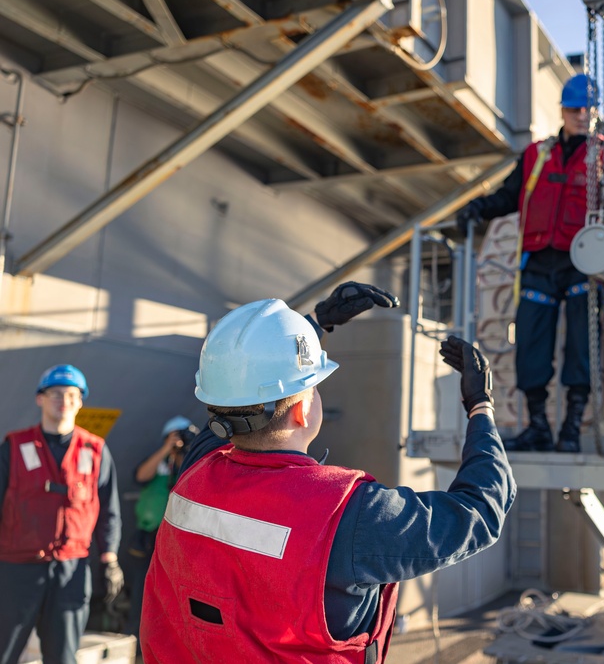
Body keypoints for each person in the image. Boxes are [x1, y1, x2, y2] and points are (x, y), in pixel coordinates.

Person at [140, 282, 515, 663]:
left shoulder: (196, 471)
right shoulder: (349, 515)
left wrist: (315, 324)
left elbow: (237, 395)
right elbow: (480, 511)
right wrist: (480, 406)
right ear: (303, 411)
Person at [457, 73, 604, 453]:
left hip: (584, 266)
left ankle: (570, 428)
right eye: (574, 109)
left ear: (596, 111)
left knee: (582, 346)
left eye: (588, 109)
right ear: (563, 110)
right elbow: (508, 196)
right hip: (538, 263)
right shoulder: (536, 155)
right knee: (530, 343)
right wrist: (476, 208)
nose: (581, 115)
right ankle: (538, 425)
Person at [0, 364, 123, 664]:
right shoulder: (14, 446)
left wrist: (109, 559)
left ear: (80, 401)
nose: (63, 400)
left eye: (71, 394)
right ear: (39, 399)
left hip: (72, 571)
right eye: (55, 393)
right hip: (18, 570)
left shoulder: (95, 451)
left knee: (63, 656)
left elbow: (109, 509)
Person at [124, 414, 198, 640]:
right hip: (149, 539)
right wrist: (167, 449)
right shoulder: (159, 462)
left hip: (180, 544)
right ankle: (135, 639)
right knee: (142, 592)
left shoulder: (193, 462)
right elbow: (140, 475)